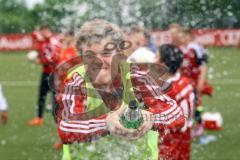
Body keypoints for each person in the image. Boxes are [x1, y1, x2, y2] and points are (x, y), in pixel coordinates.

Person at [54, 19, 185, 160]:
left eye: (106, 53)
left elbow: (176, 114)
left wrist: (151, 118)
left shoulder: (137, 78)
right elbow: (66, 128)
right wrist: (106, 123)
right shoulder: (76, 82)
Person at [155, 44, 195, 160]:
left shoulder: (168, 92)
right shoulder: (184, 81)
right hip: (183, 141)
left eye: (156, 57)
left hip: (169, 147)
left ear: (162, 64)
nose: (152, 60)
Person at [178, 28, 213, 137]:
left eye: (183, 36)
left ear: (188, 36)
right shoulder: (183, 49)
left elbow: (202, 66)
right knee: (188, 103)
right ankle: (189, 125)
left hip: (195, 81)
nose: (181, 39)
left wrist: (200, 82)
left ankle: (199, 125)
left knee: (196, 103)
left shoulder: (195, 48)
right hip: (187, 82)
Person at [28, 25, 61, 126]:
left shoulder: (53, 41)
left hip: (55, 74)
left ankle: (59, 120)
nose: (43, 33)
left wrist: (40, 61)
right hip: (46, 73)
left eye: (45, 31)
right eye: (42, 31)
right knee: (41, 95)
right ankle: (39, 118)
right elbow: (33, 34)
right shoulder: (44, 41)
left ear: (49, 31)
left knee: (56, 98)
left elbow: (55, 57)